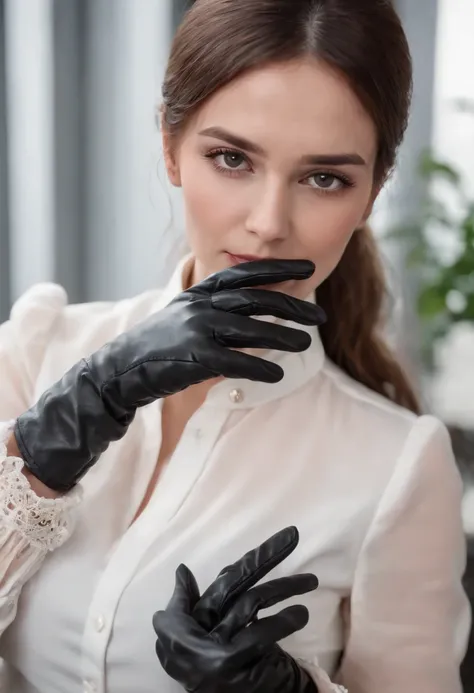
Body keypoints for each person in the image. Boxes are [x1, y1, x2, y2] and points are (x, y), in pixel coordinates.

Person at [0, 0, 470, 690]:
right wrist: (53, 439)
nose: (268, 224)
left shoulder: (400, 464)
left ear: (372, 192)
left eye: (325, 178)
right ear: (169, 145)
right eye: (231, 158)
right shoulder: (39, 347)